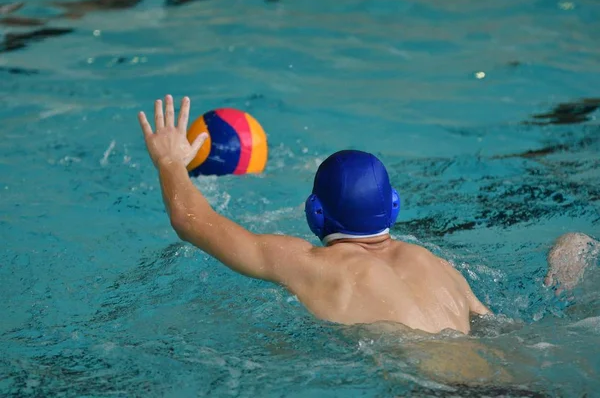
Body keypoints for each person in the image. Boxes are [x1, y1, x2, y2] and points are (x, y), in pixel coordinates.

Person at [138, 95, 597, 336]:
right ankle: (560, 282)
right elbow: (500, 328)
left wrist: (170, 162)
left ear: (315, 214)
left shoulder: (312, 265)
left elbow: (190, 219)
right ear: (393, 206)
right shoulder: (437, 266)